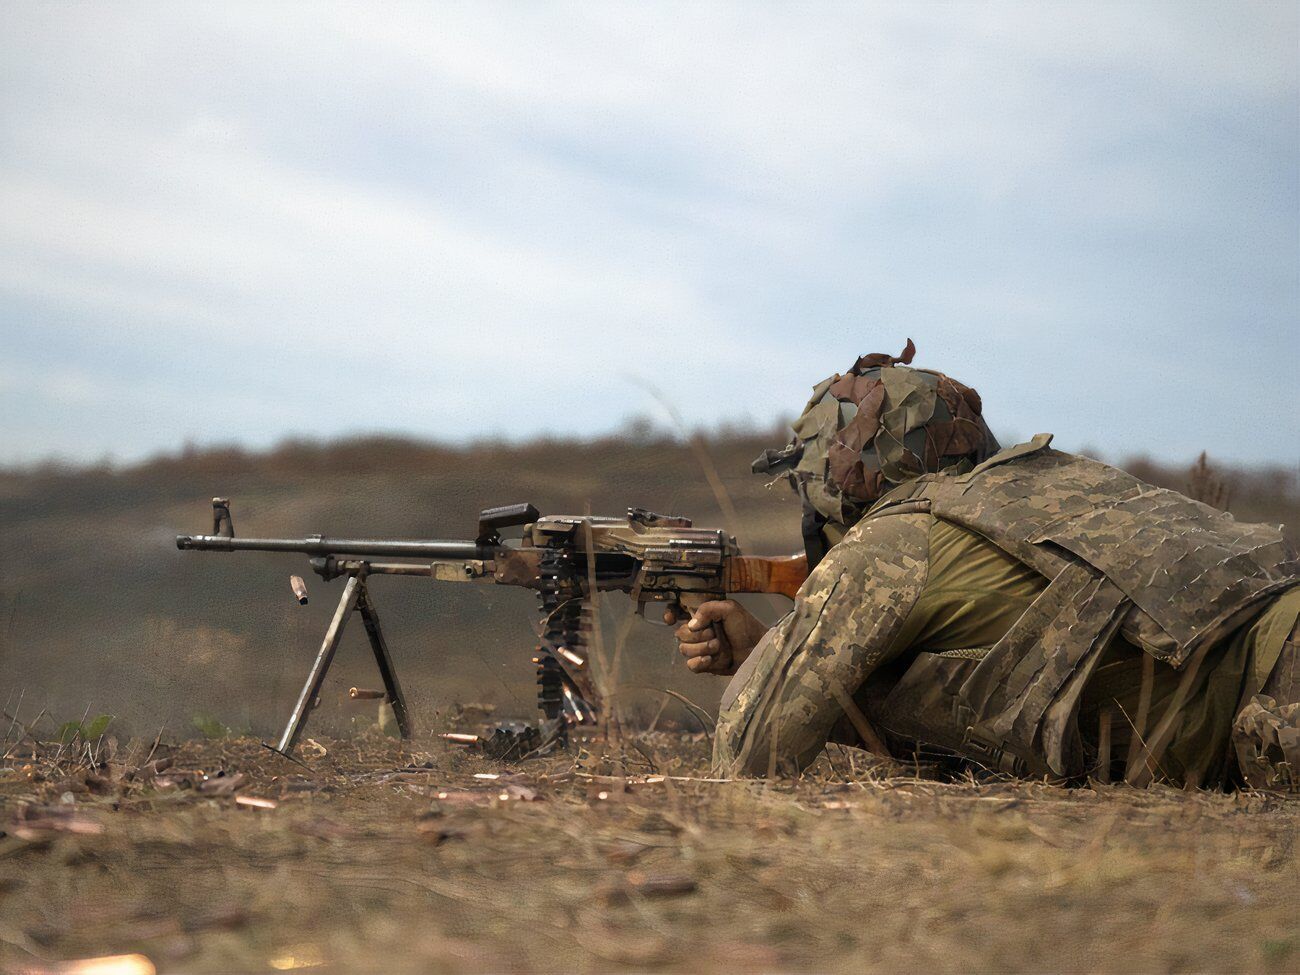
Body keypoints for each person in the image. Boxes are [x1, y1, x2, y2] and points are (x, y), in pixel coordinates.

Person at [671, 342, 1300, 790]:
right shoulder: (1049, 491)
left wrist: (771, 660)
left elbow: (751, 752)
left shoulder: (892, 543)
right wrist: (767, 648)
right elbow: (960, 736)